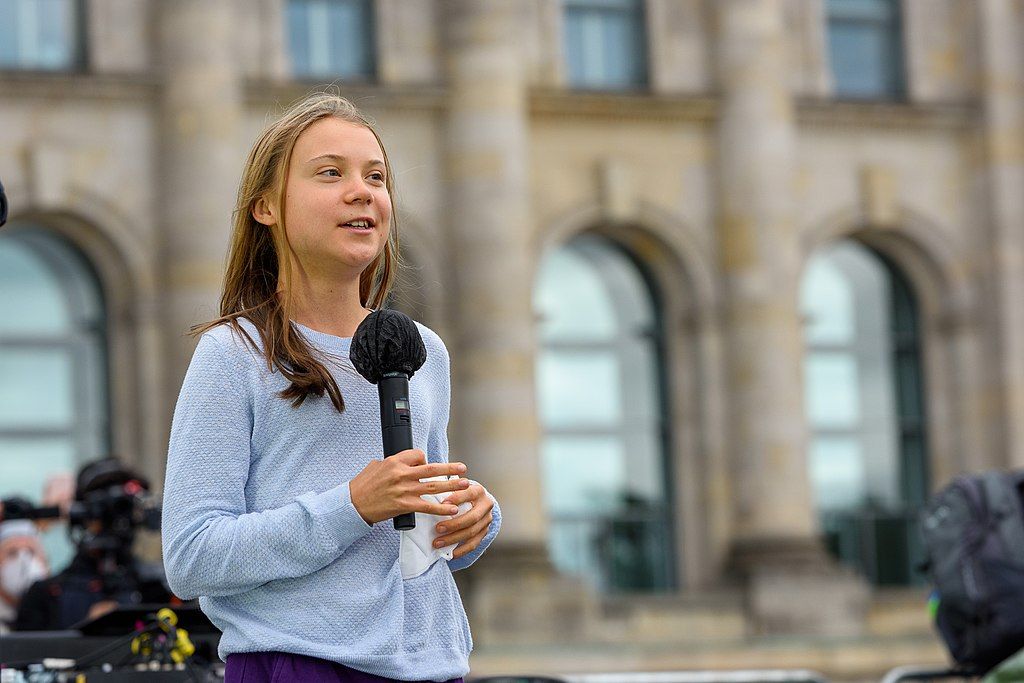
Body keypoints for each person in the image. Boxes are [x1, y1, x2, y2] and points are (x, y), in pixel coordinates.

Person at [161, 92, 501, 683]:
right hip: (297, 665)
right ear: (265, 207)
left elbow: (417, 539)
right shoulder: (233, 353)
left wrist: (470, 522)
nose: (362, 190)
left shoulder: (424, 351)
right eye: (330, 173)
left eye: (376, 176)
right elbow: (192, 556)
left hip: (433, 665)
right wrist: (352, 506)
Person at [14, 457, 171, 631]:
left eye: (123, 506)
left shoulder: (160, 587)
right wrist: (88, 630)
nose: (115, 518)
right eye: (103, 508)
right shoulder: (47, 595)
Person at [0, 519, 49, 633]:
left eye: (31, 552)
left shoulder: (59, 612)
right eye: (12, 553)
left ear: (46, 563)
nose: (23, 561)